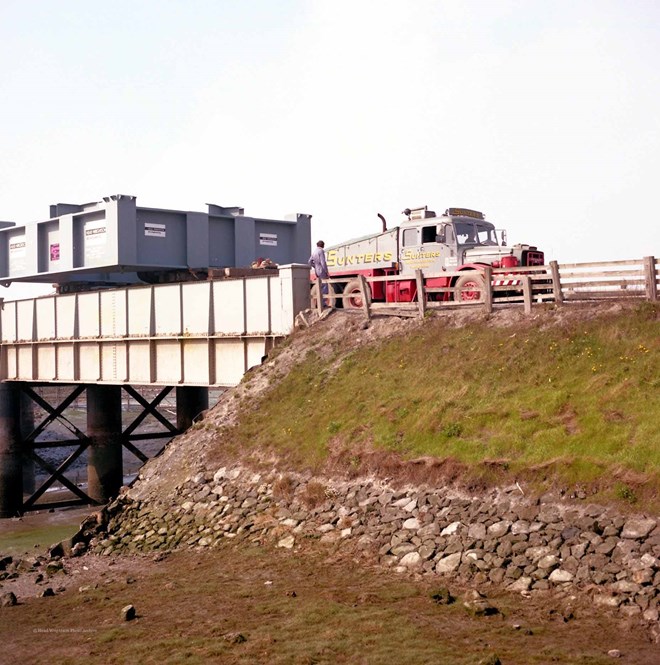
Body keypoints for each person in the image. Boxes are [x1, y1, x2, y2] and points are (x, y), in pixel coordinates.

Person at [309, 240, 330, 305]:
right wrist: (327, 272)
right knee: (325, 286)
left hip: (317, 271)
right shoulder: (321, 251)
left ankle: (319, 302)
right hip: (322, 271)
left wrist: (315, 267)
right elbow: (323, 263)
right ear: (322, 245)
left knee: (320, 286)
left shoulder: (314, 252)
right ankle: (323, 303)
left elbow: (309, 262)